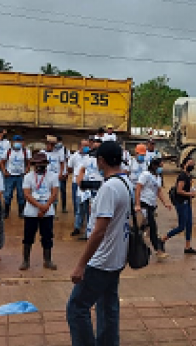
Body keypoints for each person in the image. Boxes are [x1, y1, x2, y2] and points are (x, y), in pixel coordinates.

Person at [67, 141, 131, 346]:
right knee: (107, 306)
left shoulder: (109, 188)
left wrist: (81, 264)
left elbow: (99, 230)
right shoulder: (126, 182)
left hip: (101, 260)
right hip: (117, 257)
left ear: (102, 161)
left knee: (77, 308)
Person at [21, 153, 59, 270]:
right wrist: (39, 206)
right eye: (37, 163)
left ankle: (47, 260)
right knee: (28, 236)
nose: (40, 166)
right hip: (31, 211)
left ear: (46, 164)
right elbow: (27, 194)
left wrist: (46, 206)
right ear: (34, 164)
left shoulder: (53, 176)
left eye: (42, 163)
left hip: (48, 210)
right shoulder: (28, 177)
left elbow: (54, 193)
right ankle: (26, 261)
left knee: (47, 236)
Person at [162, 157, 196, 255]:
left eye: (193, 163)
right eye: (190, 163)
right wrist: (190, 194)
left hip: (187, 202)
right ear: (184, 164)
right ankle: (163, 239)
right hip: (181, 203)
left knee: (189, 224)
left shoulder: (189, 176)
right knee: (181, 226)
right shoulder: (182, 176)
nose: (192, 165)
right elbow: (179, 190)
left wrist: (191, 193)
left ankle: (188, 246)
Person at [135, 158, 171, 259]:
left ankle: (134, 247)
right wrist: (137, 204)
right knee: (153, 228)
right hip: (144, 204)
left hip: (151, 205)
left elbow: (158, 191)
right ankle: (158, 250)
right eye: (160, 166)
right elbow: (138, 188)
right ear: (155, 166)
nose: (161, 168)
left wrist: (165, 203)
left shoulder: (158, 177)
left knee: (141, 228)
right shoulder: (145, 175)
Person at [76, 138, 104, 240]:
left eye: (98, 147)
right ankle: (89, 233)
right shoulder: (87, 158)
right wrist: (80, 182)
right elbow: (82, 170)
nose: (95, 149)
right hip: (88, 189)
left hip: (100, 188)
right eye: (94, 147)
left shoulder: (104, 160)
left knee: (99, 212)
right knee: (88, 212)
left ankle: (98, 233)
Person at [1, 135, 31, 218]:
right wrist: (4, 171)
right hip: (10, 176)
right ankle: (6, 212)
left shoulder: (26, 151)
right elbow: (2, 162)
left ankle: (21, 212)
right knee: (7, 194)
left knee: (21, 194)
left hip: (20, 176)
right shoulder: (7, 151)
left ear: (22, 142)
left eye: (19, 141)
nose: (18, 143)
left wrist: (26, 171)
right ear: (12, 142)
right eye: (16, 141)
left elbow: (28, 162)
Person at [69, 140, 90, 236]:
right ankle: (77, 226)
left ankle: (88, 228)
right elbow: (70, 167)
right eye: (84, 146)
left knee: (87, 207)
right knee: (78, 206)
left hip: (88, 184)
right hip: (77, 183)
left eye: (87, 146)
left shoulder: (90, 157)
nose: (86, 147)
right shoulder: (74, 156)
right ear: (79, 146)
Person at [41, 135, 66, 210]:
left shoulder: (58, 153)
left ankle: (53, 211)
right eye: (49, 144)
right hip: (45, 177)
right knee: (45, 193)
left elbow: (62, 164)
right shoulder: (42, 153)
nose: (51, 146)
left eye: (52, 145)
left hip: (55, 177)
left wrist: (61, 173)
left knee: (54, 195)